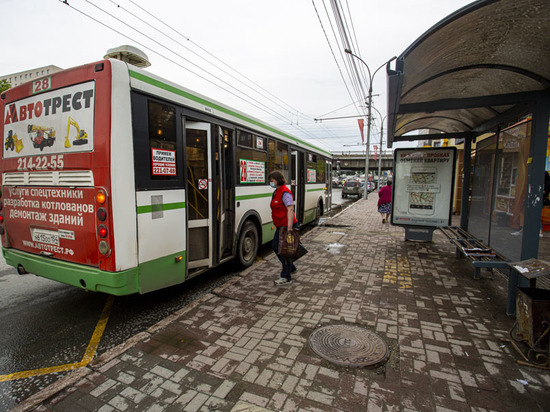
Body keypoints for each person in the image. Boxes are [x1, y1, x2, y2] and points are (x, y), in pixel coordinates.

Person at [269, 171, 298, 286]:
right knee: (280, 248)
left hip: (286, 225)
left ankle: (286, 276)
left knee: (281, 249)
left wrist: (289, 228)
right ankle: (290, 267)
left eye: (272, 180)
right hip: (280, 225)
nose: (271, 182)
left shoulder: (285, 192)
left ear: (277, 180)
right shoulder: (276, 192)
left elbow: (290, 209)